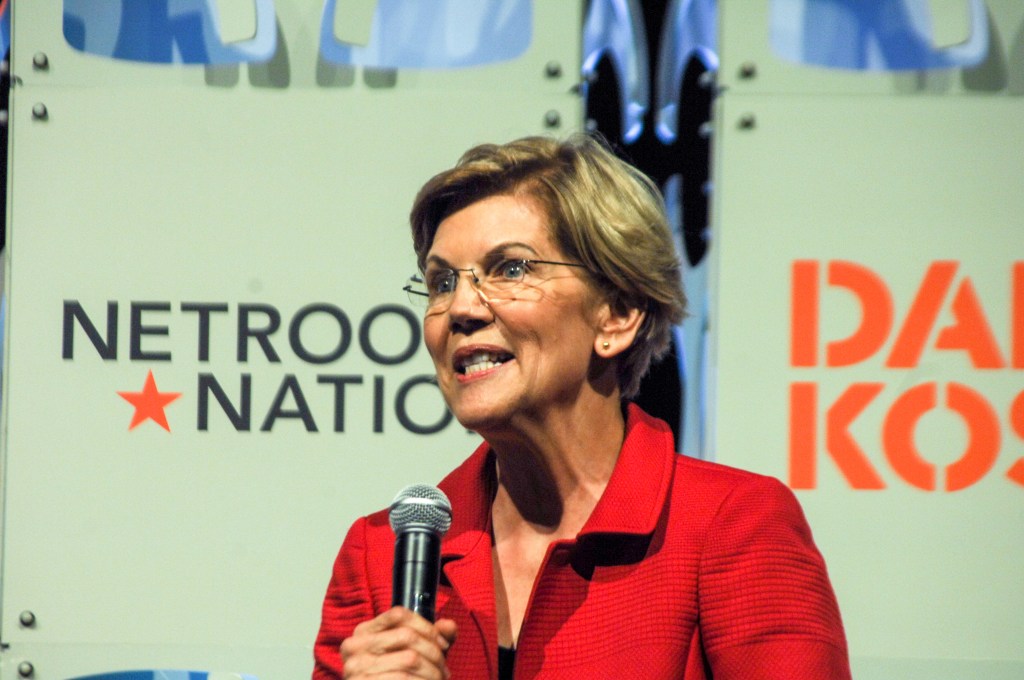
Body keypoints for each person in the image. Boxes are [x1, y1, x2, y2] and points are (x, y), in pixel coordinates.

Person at [313, 134, 851, 679]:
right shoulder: (380, 555)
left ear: (616, 315)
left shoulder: (733, 527)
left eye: (511, 269)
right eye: (441, 281)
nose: (461, 308)